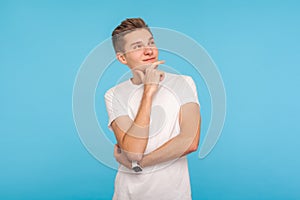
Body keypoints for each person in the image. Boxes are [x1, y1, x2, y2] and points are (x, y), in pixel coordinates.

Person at [104, 18, 201, 200]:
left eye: (151, 42)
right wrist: (148, 91)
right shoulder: (114, 94)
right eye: (137, 46)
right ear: (122, 58)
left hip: (174, 195)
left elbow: (190, 142)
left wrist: (136, 164)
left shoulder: (183, 83)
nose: (149, 50)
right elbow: (133, 151)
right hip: (128, 194)